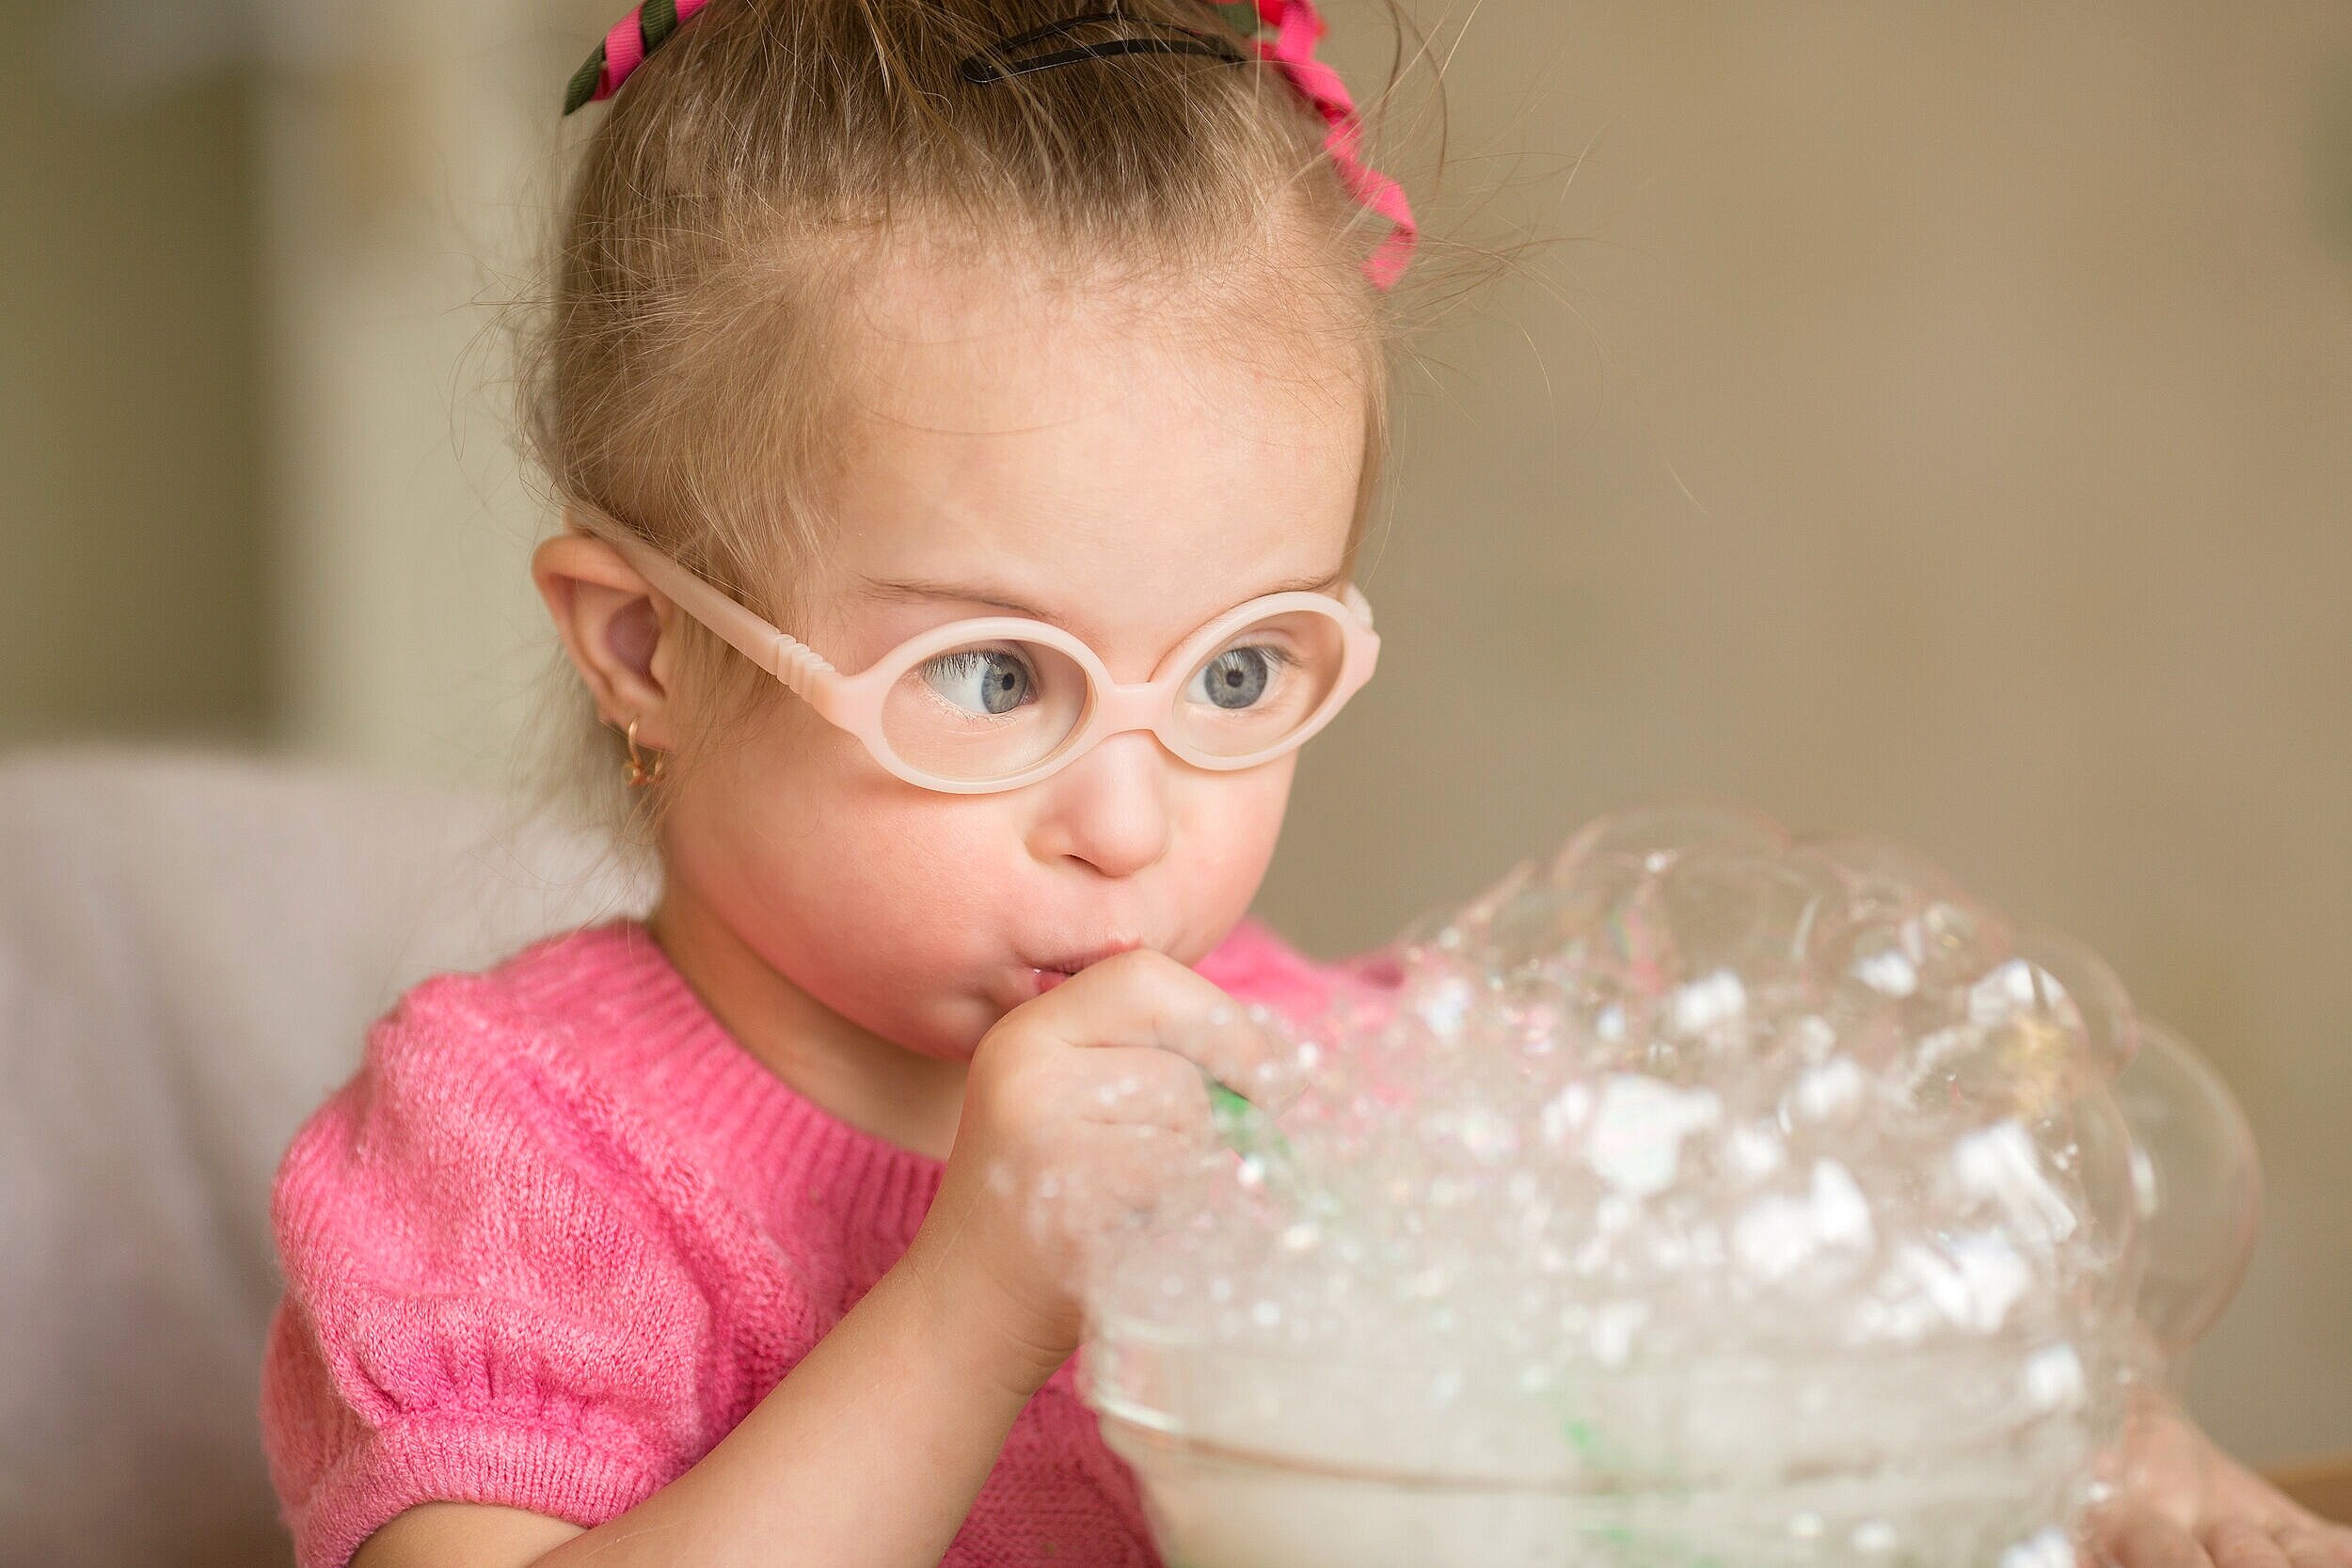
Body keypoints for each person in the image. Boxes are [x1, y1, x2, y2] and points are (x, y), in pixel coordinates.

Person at [255, 4, 2349, 1566]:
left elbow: (1724, 1355)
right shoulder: (505, 1149)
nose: (1135, 821)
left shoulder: (1330, 1097)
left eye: (1241, 668)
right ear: (650, 650)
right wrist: (977, 1297)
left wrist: (2055, 1428)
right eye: (999, 675)